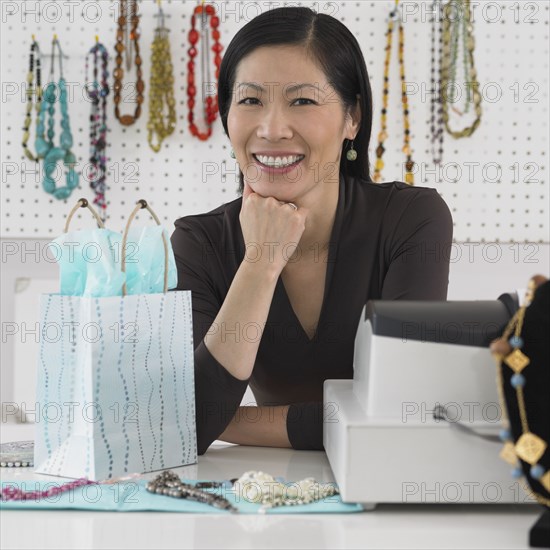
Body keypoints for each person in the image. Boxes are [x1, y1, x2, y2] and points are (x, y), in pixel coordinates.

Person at [171, 6, 453, 455]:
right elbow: (187, 426)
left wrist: (225, 419)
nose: (271, 128)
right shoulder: (198, 242)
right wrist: (260, 263)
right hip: (259, 496)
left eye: (302, 100)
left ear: (352, 119)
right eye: (250, 100)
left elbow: (401, 409)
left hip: (387, 488)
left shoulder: (412, 218)